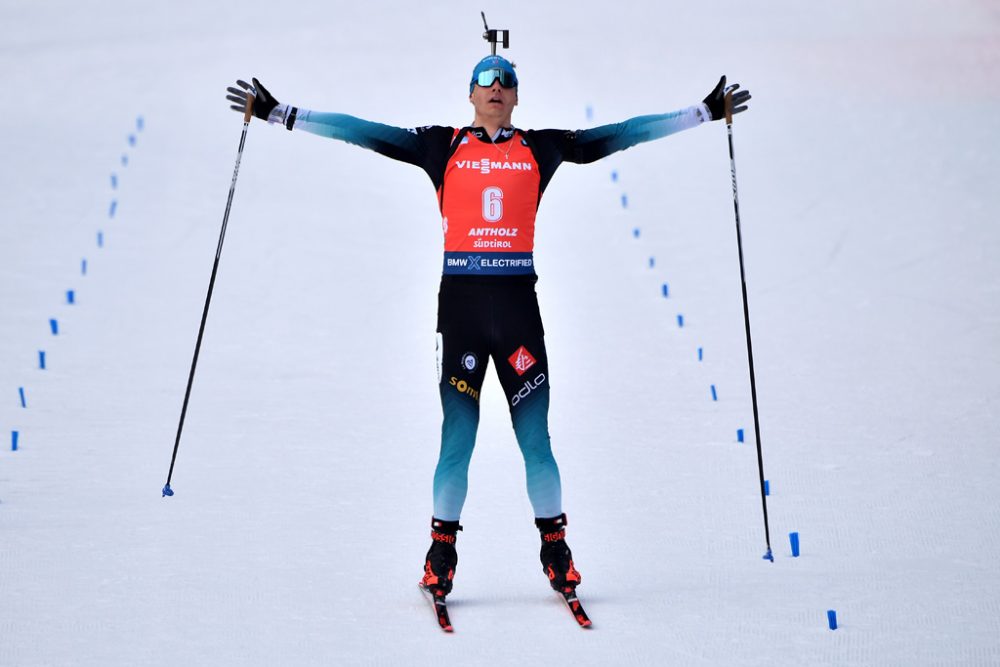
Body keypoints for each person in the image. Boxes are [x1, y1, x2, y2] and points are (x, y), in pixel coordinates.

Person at [226, 54, 750, 601]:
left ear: (517, 97)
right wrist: (279, 113)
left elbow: (618, 136)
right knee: (458, 440)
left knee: (536, 442)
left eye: (507, 82)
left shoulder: (541, 148)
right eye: (485, 80)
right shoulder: (442, 146)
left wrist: (703, 113)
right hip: (462, 313)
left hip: (519, 310)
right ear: (470, 94)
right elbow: (363, 133)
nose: (496, 88)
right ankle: (441, 554)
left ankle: (555, 548)